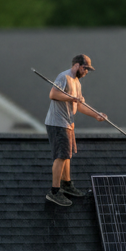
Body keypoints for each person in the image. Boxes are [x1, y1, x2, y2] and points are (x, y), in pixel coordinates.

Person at [44, 53, 107, 206]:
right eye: (85, 69)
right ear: (77, 65)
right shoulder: (64, 77)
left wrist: (96, 115)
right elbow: (53, 94)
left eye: (88, 70)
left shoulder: (77, 83)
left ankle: (67, 185)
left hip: (68, 123)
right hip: (57, 123)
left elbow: (79, 105)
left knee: (67, 155)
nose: (86, 72)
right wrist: (71, 98)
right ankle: (54, 192)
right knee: (60, 156)